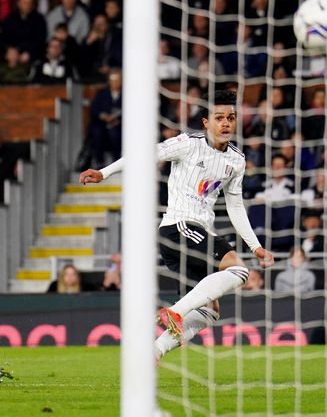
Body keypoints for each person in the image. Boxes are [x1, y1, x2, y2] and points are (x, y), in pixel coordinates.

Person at [78, 90, 275, 361]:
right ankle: (177, 311)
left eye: (230, 117)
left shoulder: (236, 160)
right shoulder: (188, 144)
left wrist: (256, 247)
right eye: (219, 118)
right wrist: (104, 172)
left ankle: (154, 352)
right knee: (238, 270)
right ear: (206, 122)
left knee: (210, 310)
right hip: (179, 227)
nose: (226, 123)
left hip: (198, 233)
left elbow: (235, 206)